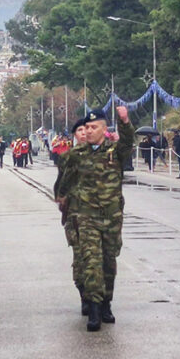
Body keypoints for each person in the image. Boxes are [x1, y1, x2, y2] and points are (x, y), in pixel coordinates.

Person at [55, 107, 134, 332]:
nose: (88, 131)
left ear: (104, 129)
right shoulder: (76, 155)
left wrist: (125, 120)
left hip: (111, 217)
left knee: (108, 263)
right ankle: (95, 308)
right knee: (91, 262)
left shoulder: (115, 152)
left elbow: (128, 142)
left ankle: (107, 302)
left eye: (93, 127)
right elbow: (65, 179)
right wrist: (62, 198)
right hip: (86, 217)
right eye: (86, 128)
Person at [54, 118, 89, 316]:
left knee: (101, 260)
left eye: (88, 129)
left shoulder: (104, 155)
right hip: (76, 216)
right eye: (80, 130)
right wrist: (63, 201)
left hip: (99, 217)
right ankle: (84, 295)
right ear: (75, 135)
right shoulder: (68, 157)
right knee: (80, 257)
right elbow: (60, 185)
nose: (84, 133)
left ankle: (101, 300)